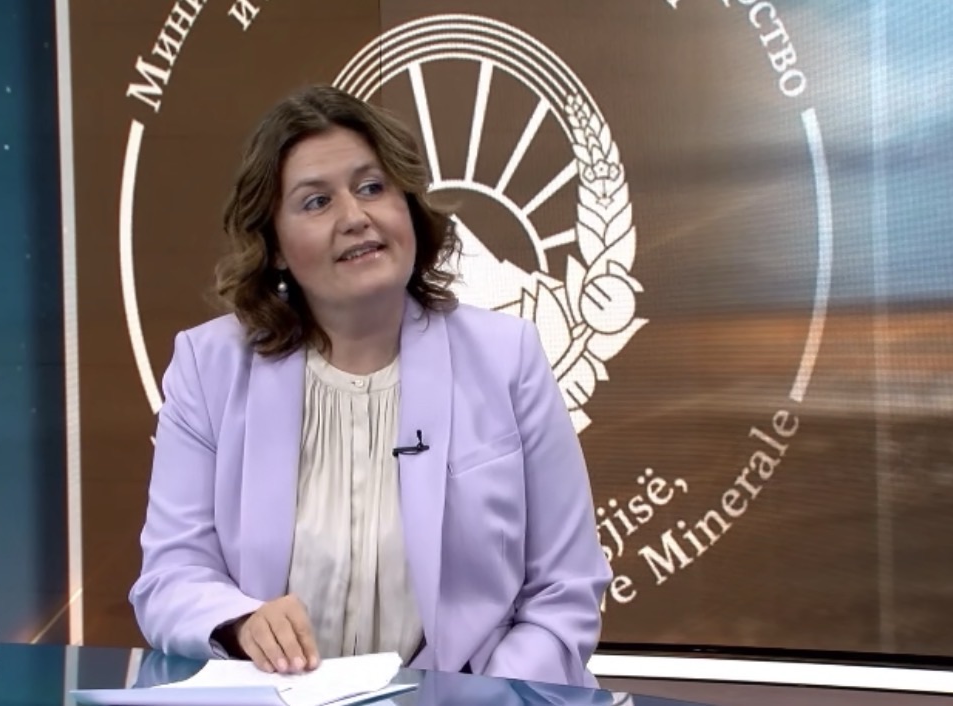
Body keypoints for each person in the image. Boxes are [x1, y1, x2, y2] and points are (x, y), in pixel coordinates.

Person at [128, 84, 612, 689]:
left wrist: (479, 700)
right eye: (316, 202)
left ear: (407, 205)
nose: (355, 217)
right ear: (274, 247)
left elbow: (564, 590)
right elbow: (170, 575)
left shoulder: (506, 357)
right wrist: (239, 621)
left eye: (372, 187)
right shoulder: (210, 368)